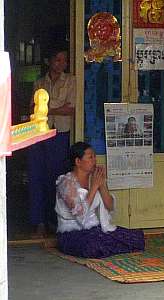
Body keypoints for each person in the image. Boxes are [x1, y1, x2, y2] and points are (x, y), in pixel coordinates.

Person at [55, 142, 145, 258]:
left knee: (136, 238)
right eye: (90, 157)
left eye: (95, 157)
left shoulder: (94, 179)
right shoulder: (66, 183)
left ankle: (107, 245)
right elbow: (80, 215)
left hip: (95, 229)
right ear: (78, 162)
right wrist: (94, 187)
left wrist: (102, 185)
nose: (94, 161)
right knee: (92, 246)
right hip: (72, 232)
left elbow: (110, 206)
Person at [27, 48, 76, 237]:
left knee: (56, 178)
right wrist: (57, 108)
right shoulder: (39, 82)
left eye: (64, 60)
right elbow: (33, 108)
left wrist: (46, 109)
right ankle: (38, 222)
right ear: (49, 61)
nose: (61, 63)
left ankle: (55, 221)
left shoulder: (71, 80)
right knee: (37, 177)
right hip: (39, 134)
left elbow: (70, 109)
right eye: (58, 59)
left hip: (60, 134)